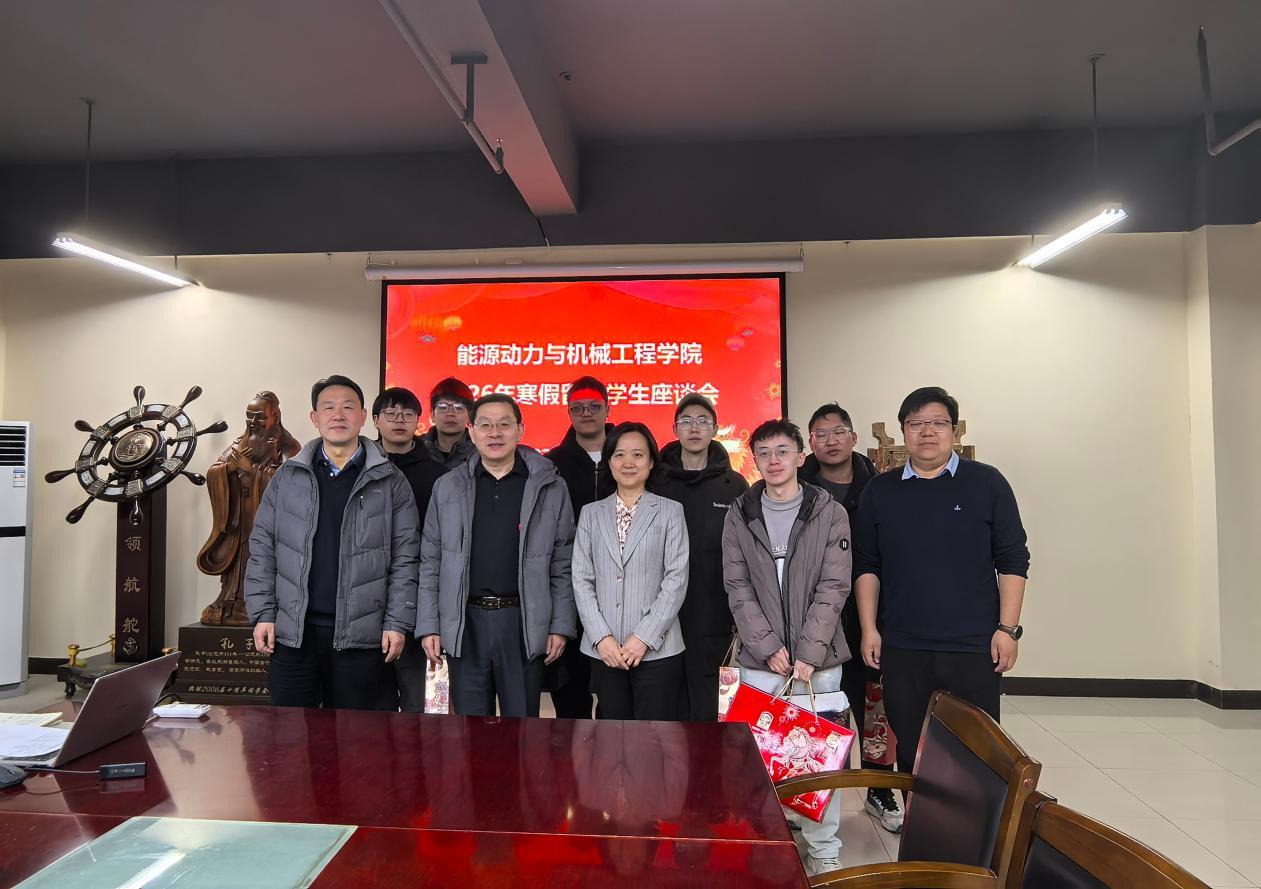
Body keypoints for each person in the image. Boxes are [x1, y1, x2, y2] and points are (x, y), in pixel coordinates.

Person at [854, 386, 1030, 778]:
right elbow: (867, 565)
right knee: (912, 753)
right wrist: (869, 628)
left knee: (976, 755)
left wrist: (1007, 629)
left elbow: (1013, 559)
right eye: (916, 423)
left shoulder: (987, 483)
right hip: (904, 647)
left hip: (973, 646)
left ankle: (973, 821)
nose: (927, 431)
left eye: (938, 423)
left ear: (954, 430)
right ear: (904, 431)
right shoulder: (880, 491)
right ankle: (919, 821)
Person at [722, 418, 852, 877]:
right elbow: (737, 586)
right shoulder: (740, 512)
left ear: (801, 456)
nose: (773, 460)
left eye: (782, 451)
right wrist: (767, 646)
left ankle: (823, 848)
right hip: (761, 661)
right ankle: (767, 841)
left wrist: (809, 652)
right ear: (754, 460)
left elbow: (834, 586)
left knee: (816, 760)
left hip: (819, 662)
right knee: (759, 760)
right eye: (764, 453)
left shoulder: (828, 511)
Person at [245, 375, 419, 710]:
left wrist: (397, 622)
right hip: (295, 635)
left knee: (361, 737)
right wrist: (263, 613)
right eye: (329, 408)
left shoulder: (390, 480)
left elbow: (406, 558)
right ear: (315, 418)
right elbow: (263, 549)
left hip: (363, 638)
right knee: (290, 734)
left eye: (348, 408)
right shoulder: (287, 477)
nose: (338, 415)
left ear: (363, 416)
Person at [417, 393, 576, 717]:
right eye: (485, 425)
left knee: (522, 728)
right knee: (470, 729)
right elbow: (431, 560)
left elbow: (563, 561)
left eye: (504, 424)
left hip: (523, 621)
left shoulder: (548, 485)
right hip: (464, 621)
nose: (495, 433)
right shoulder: (447, 486)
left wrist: (560, 625)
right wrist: (429, 625)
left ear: (520, 430)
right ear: (471, 431)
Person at [801, 402, 902, 833]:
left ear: (854, 438)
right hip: (814, 621)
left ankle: (880, 789)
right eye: (821, 434)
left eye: (838, 432)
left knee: (876, 708)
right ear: (810, 443)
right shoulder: (797, 488)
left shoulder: (880, 489)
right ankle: (814, 796)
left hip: (871, 618)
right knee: (817, 710)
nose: (831, 440)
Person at [572, 422, 689, 720]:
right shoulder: (590, 514)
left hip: (658, 649)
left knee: (655, 738)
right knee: (611, 736)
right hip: (605, 650)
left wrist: (643, 638)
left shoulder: (670, 511)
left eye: (637, 455)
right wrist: (601, 637)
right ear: (609, 461)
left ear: (651, 462)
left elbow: (676, 579)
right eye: (619, 454)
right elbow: (582, 580)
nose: (628, 462)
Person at [655, 392, 748, 721]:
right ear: (675, 429)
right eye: (686, 421)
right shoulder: (655, 482)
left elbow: (746, 554)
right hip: (660, 613)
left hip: (714, 613)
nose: (694, 428)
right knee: (666, 701)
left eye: (703, 421)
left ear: (715, 429)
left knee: (709, 707)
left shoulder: (734, 485)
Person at [372, 386, 449, 713]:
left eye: (407, 414)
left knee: (417, 700)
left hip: (417, 594)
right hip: (368, 593)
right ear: (375, 420)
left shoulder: (438, 474)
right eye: (391, 414)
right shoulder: (361, 467)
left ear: (419, 420)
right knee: (372, 703)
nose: (399, 420)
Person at [198, 391, 300, 626]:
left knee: (264, 558)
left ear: (275, 416)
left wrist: (251, 469)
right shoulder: (241, 442)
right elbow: (215, 471)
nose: (253, 422)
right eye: (249, 416)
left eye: (260, 416)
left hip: (269, 521)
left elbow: (290, 483)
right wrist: (229, 469)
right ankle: (232, 601)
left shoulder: (289, 447)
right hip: (240, 517)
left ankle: (264, 606)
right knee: (239, 562)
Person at [545, 376, 616, 718]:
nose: (586, 413)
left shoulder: (626, 455)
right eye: (578, 408)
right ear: (568, 411)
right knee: (570, 697)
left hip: (620, 591)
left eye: (594, 406)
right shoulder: (551, 464)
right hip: (568, 591)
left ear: (608, 409)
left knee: (615, 697)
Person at [421, 376, 476, 467]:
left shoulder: (482, 451)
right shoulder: (414, 448)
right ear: (432, 414)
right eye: (443, 407)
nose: (450, 413)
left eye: (458, 407)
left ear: (469, 416)